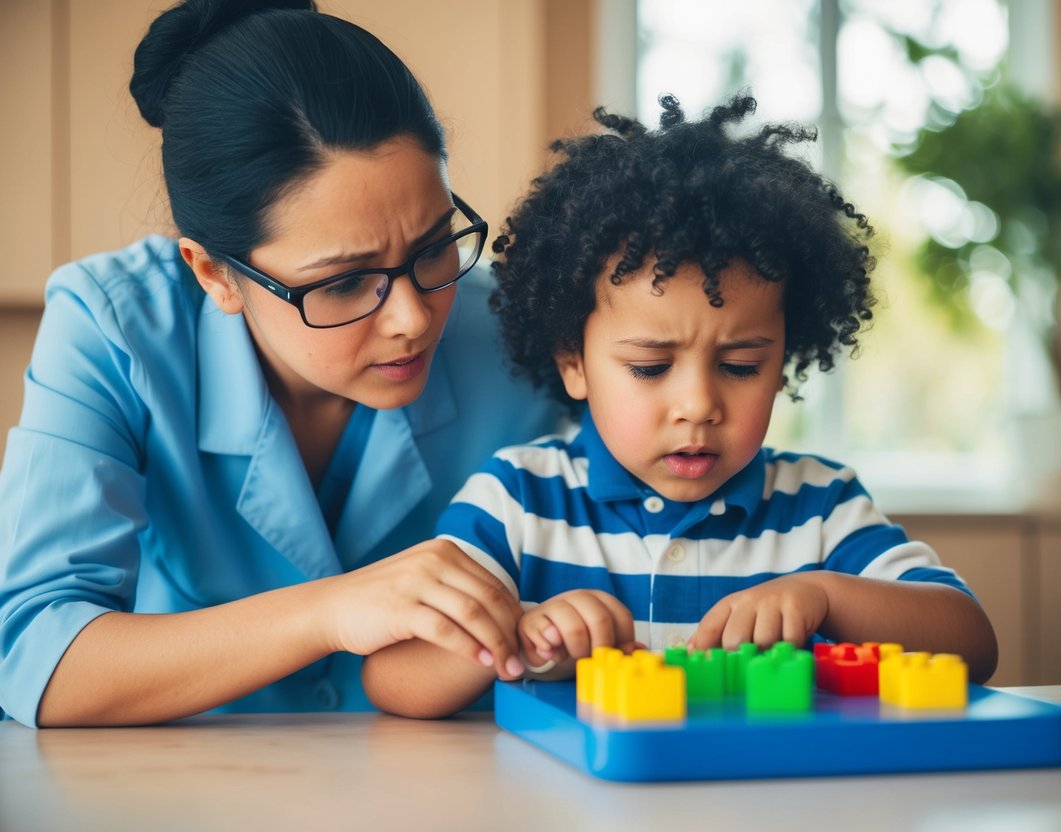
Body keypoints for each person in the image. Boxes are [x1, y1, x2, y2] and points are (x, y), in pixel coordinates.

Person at [0, 0, 561, 727]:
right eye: (343, 282)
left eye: (432, 247)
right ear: (213, 275)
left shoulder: (513, 334)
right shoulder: (112, 327)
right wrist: (332, 611)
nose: (413, 318)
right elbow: (33, 657)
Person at [362, 94, 999, 718]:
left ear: (784, 360)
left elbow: (971, 641)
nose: (698, 405)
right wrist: (520, 638)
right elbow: (393, 678)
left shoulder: (820, 507)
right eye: (650, 367)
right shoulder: (519, 500)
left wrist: (825, 596)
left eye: (741, 366)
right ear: (573, 362)